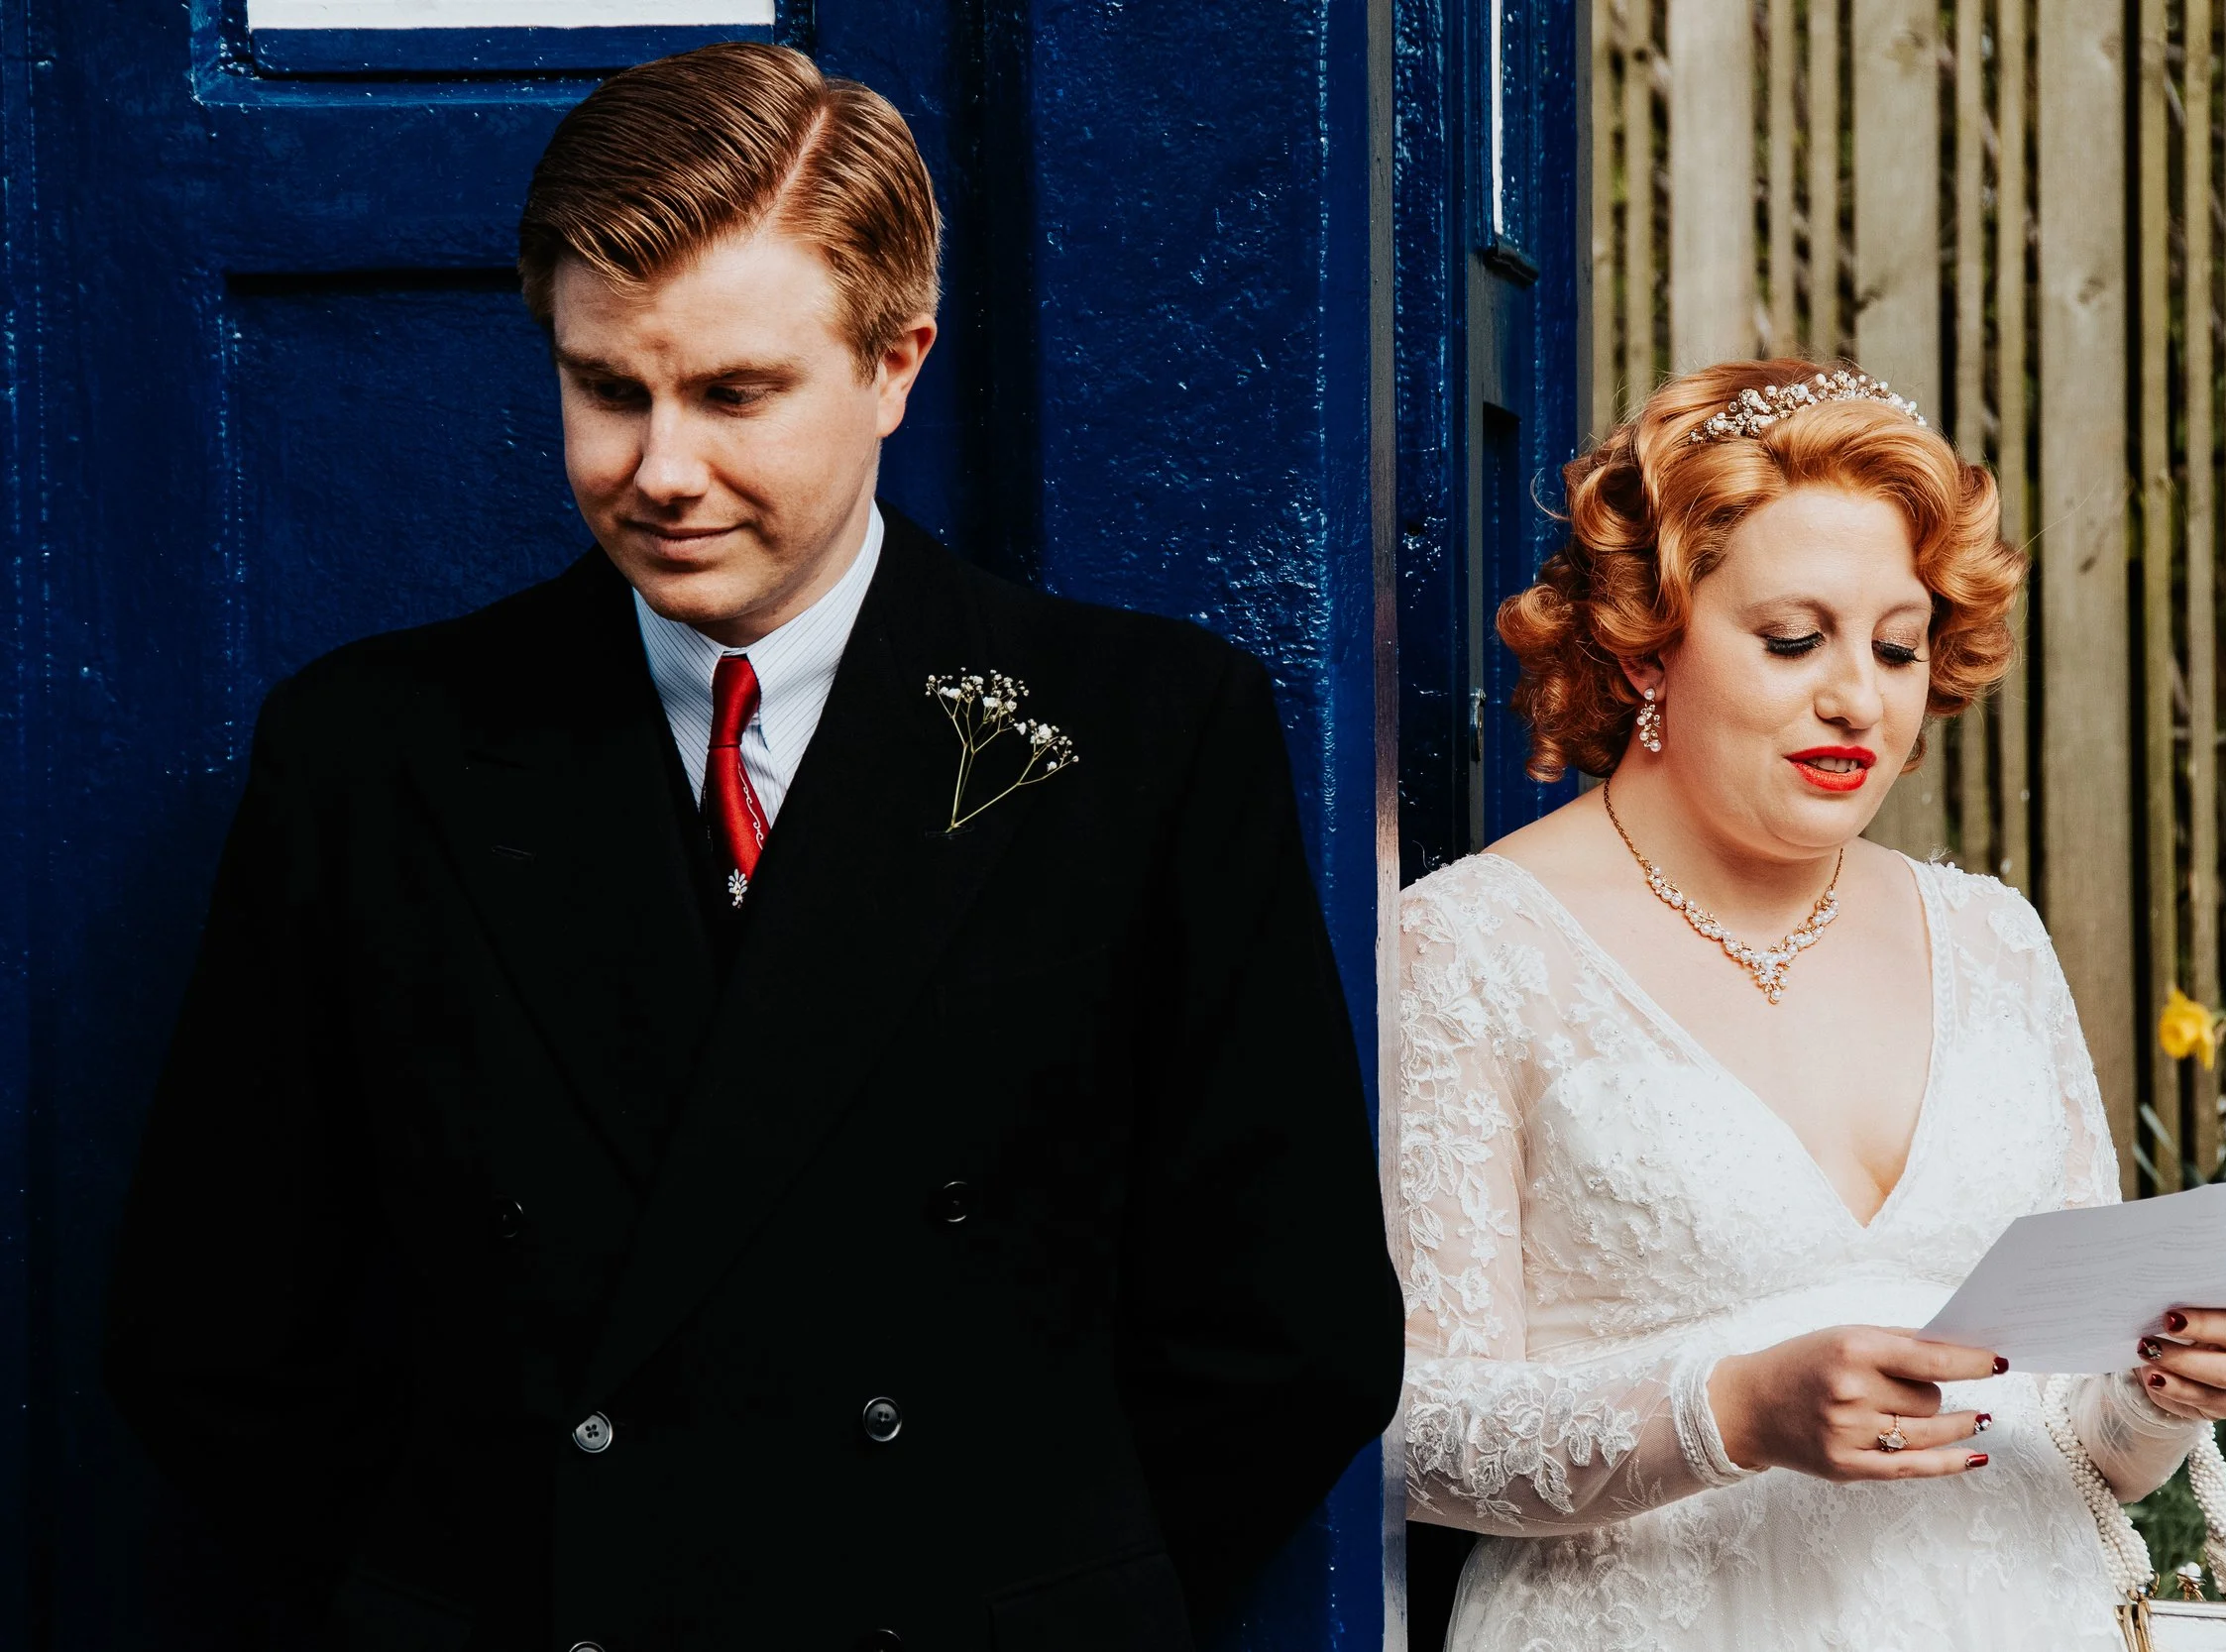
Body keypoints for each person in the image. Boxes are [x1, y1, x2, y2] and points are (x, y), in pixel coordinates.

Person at [104, 43, 1401, 1651]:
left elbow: (1297, 1331)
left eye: (733, 394)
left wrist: (1037, 1606)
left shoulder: (1151, 731)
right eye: (606, 388)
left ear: (895, 362)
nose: (659, 469)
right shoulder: (371, 751)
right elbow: (210, 1324)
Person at [1394, 359, 2226, 1650]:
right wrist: (1734, 1409)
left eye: (1898, 645)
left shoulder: (1992, 938)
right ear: (1651, 637)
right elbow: (1416, 1428)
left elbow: (2083, 1443)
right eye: (1793, 637)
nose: (1857, 696)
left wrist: (2166, 1387)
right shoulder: (1471, 947)